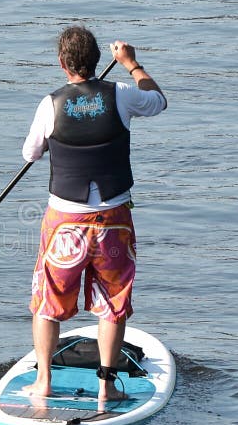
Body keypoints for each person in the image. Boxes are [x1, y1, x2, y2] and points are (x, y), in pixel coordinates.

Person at [22, 25, 167, 403]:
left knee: (47, 299)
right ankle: (106, 387)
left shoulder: (49, 104)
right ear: (100, 61)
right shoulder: (121, 94)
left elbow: (30, 154)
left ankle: (44, 384)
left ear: (61, 63)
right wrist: (132, 64)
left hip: (65, 223)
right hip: (113, 220)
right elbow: (158, 101)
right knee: (113, 301)